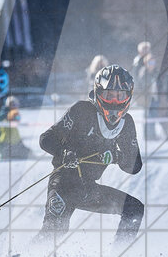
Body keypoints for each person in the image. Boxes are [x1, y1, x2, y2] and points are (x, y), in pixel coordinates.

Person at [37, 64, 144, 242]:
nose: (115, 102)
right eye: (109, 95)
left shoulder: (127, 124)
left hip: (87, 188)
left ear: (129, 96)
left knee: (134, 209)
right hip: (64, 184)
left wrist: (119, 157)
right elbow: (46, 139)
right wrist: (65, 153)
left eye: (120, 96)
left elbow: (134, 167)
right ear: (98, 93)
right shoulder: (81, 110)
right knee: (53, 232)